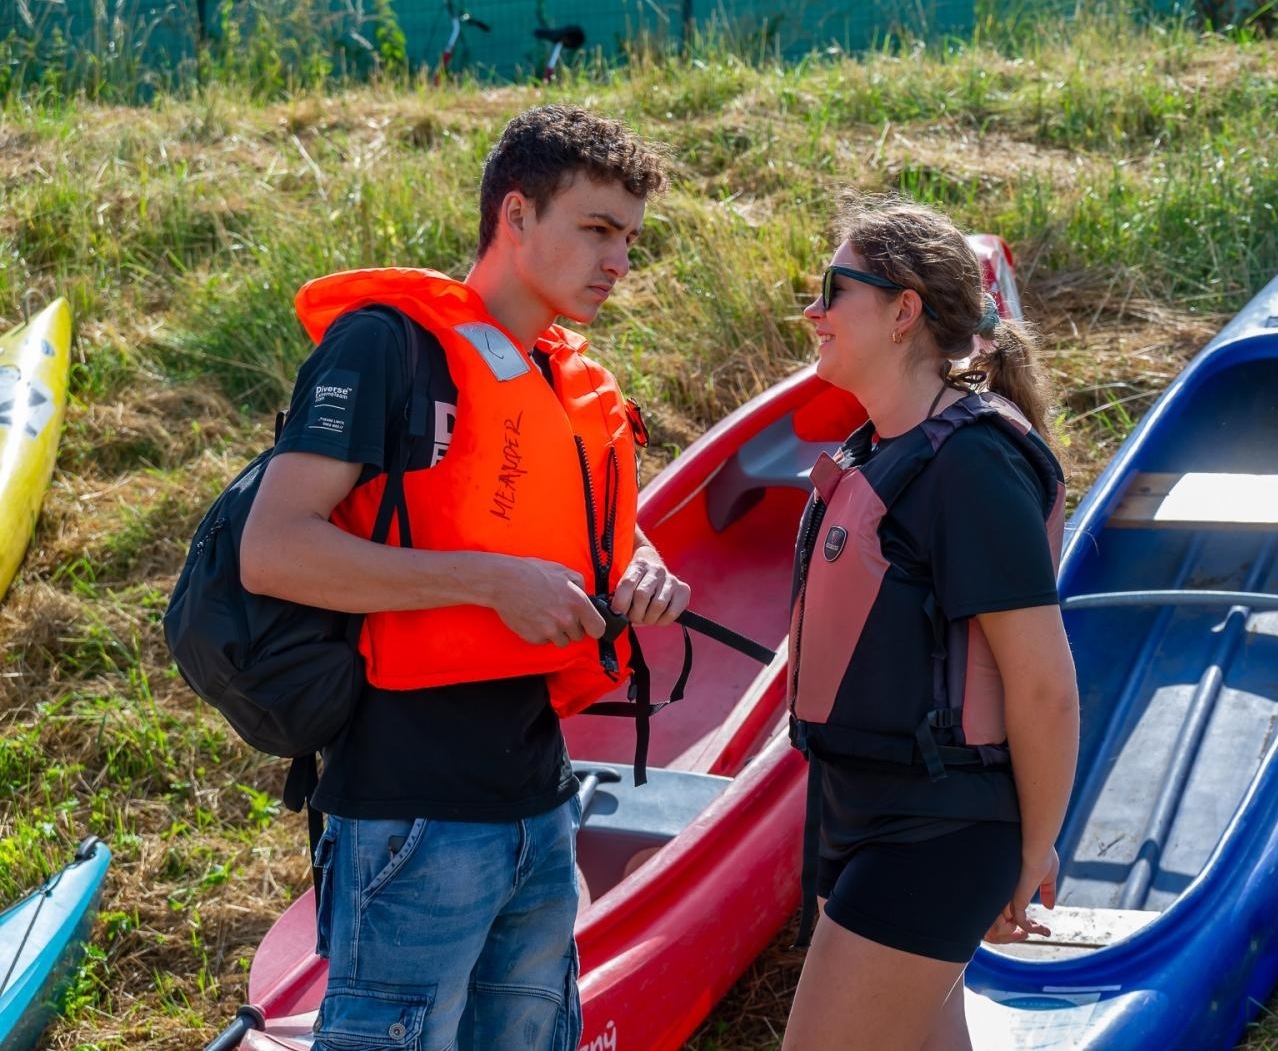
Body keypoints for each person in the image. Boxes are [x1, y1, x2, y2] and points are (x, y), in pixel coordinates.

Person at [238, 105, 688, 1051]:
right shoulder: (385, 347)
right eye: (596, 229)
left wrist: (640, 567)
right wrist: (488, 582)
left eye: (631, 240)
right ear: (515, 216)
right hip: (412, 805)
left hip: (541, 790)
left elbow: (576, 536)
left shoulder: (562, 376)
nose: (619, 261)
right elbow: (274, 547)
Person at [783, 199, 1080, 1050]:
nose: (815, 312)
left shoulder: (973, 463)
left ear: (903, 310)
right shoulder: (882, 449)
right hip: (863, 806)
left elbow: (1043, 686)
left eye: (833, 291)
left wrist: (1034, 851)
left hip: (939, 827)